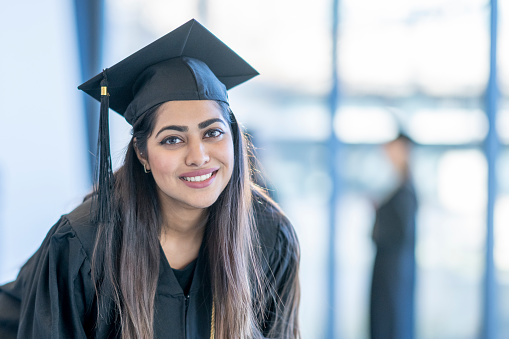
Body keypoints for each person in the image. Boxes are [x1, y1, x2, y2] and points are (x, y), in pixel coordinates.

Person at [0, 19, 300, 339]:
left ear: (235, 139)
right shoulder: (83, 244)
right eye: (173, 139)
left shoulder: (269, 236)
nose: (198, 156)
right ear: (142, 154)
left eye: (213, 132)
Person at [370, 133, 417, 339]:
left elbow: (400, 233)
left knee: (391, 321)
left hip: (394, 271)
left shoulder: (405, 192)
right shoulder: (399, 186)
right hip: (389, 269)